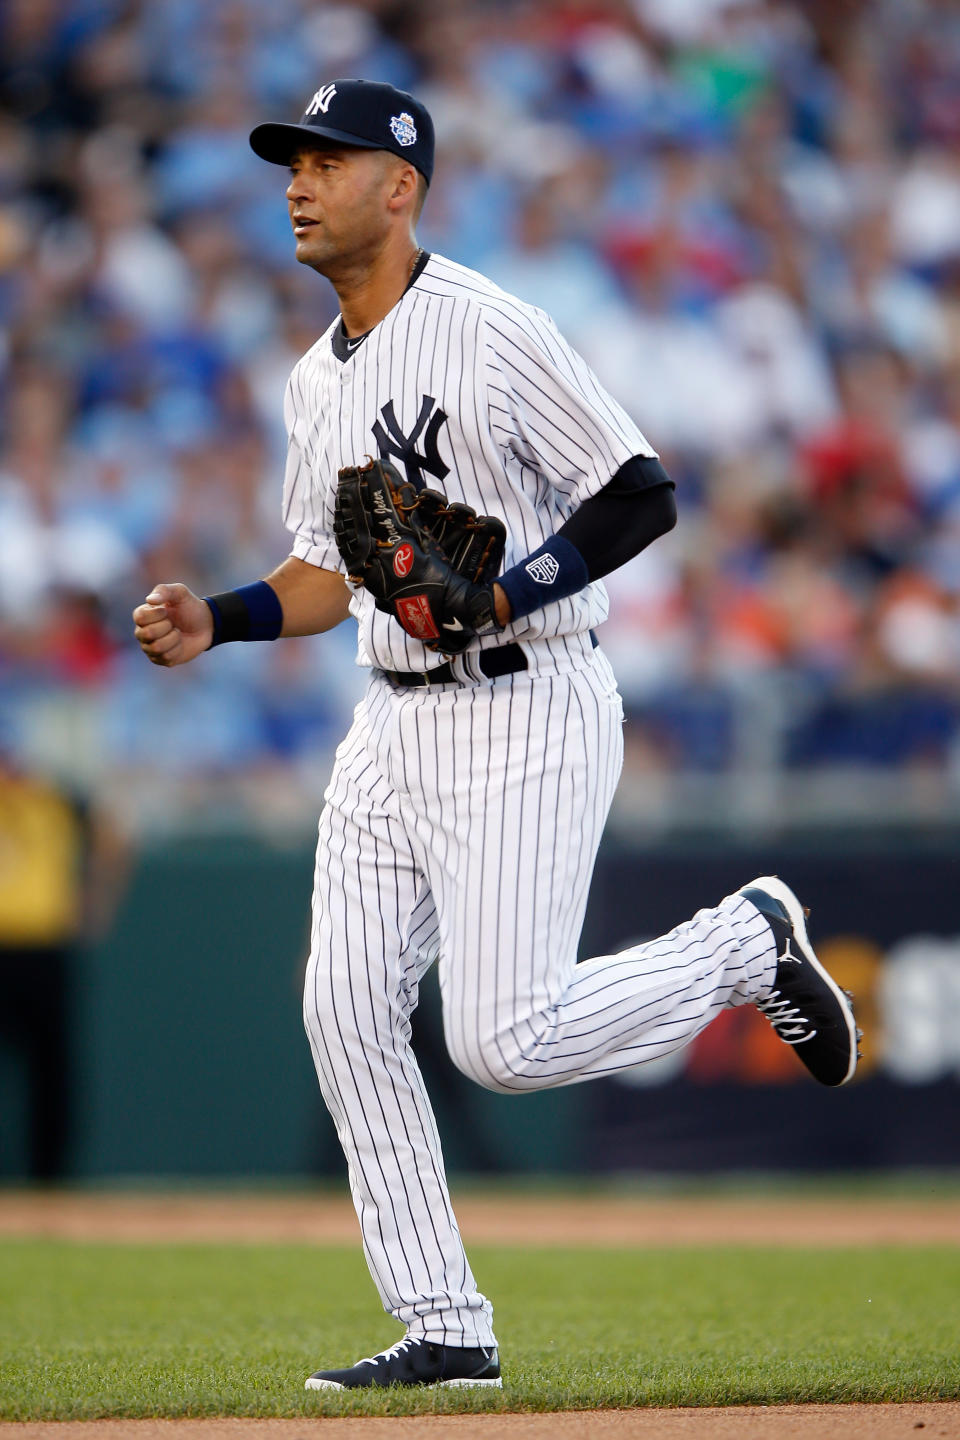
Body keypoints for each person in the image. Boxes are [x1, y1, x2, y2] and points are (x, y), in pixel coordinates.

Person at [132, 79, 859, 1392]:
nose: (296, 183)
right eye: (289, 164)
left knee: (503, 1043)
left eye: (325, 162)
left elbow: (639, 494)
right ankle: (446, 1325)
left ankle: (745, 942)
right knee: (345, 1012)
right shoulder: (312, 379)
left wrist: (507, 589)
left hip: (528, 698)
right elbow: (324, 570)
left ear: (399, 185)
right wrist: (221, 619)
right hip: (388, 717)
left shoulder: (489, 328)